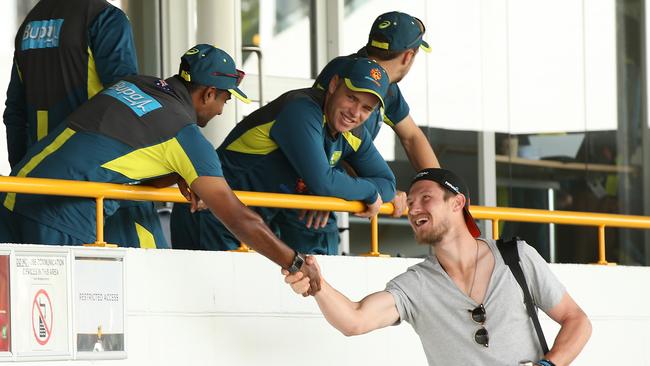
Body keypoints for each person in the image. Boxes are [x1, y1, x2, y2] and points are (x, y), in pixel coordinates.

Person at [0, 44, 322, 294]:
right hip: (62, 217)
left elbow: (121, 153)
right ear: (208, 93)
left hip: (17, 193)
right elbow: (237, 216)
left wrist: (176, 173)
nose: (223, 110)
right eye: (225, 99)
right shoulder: (186, 135)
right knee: (58, 333)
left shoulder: (132, 84)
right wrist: (293, 261)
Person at [284, 168, 592, 365]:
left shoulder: (517, 257)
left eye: (426, 198)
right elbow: (354, 320)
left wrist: (547, 365)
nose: (413, 208)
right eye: (411, 202)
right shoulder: (417, 285)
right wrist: (318, 287)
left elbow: (577, 320)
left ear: (457, 203)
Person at [170, 58, 396, 254]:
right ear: (334, 85)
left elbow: (388, 184)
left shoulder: (353, 132)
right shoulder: (302, 109)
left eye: (367, 108)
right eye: (351, 98)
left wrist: (343, 192)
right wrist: (368, 192)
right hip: (209, 214)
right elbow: (324, 182)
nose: (355, 113)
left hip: (250, 223)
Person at [2, 0, 166, 249]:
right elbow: (126, 102)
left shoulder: (30, 23)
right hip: (99, 187)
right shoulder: (105, 18)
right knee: (144, 275)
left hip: (37, 189)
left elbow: (15, 113)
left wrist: (25, 172)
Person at [315, 11, 440, 217]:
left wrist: (443, 188)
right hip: (310, 190)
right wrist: (380, 190)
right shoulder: (352, 71)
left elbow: (411, 136)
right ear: (409, 56)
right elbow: (339, 140)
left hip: (331, 190)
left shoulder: (385, 85)